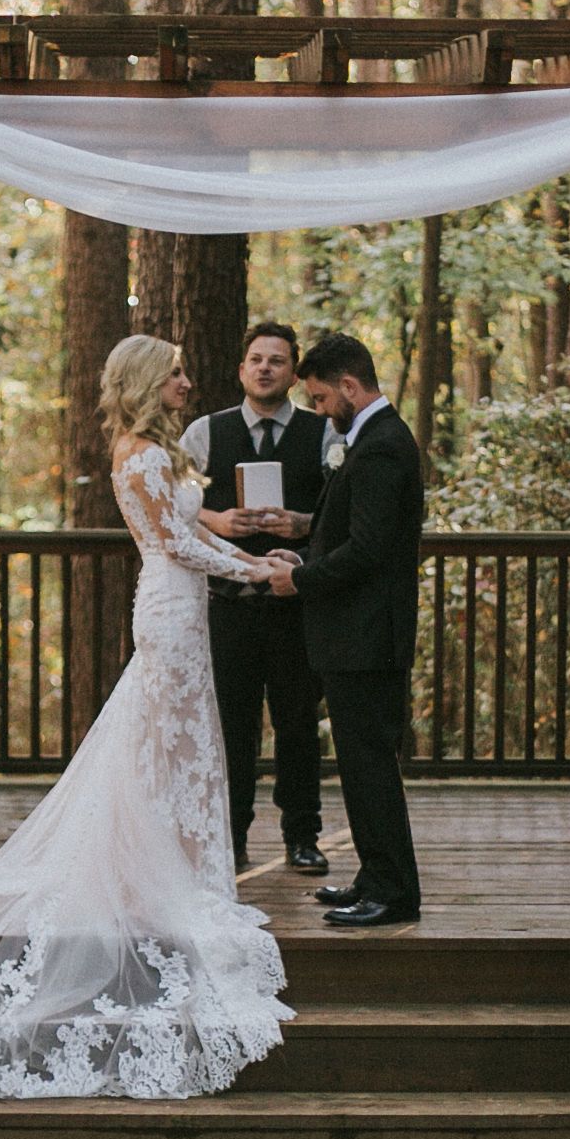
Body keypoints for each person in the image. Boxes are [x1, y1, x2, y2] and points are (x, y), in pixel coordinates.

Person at [0, 337, 295, 1096]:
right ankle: (154, 880)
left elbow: (190, 528)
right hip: (171, 609)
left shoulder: (154, 452)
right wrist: (257, 571)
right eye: (174, 371)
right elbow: (174, 544)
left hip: (182, 606)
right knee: (164, 745)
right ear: (147, 382)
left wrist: (237, 543)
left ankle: (170, 873)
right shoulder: (138, 455)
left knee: (171, 747)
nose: (185, 379)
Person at [269, 332, 426, 929]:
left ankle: (393, 892)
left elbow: (368, 550)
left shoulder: (383, 446)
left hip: (367, 638)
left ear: (349, 387)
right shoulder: (366, 439)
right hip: (354, 635)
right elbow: (354, 530)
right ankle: (373, 875)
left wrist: (301, 579)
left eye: (318, 398)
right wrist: (305, 549)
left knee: (370, 766)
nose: (316, 410)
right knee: (360, 765)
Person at [185, 321, 331, 876]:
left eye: (277, 360)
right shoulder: (205, 432)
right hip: (228, 604)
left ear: (294, 372)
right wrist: (216, 518)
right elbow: (167, 500)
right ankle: (231, 834)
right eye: (256, 359)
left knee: (297, 722)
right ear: (241, 369)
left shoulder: (324, 435)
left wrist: (304, 525)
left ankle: (302, 834)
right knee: (232, 724)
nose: (266, 367)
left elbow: (342, 514)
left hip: (297, 605)